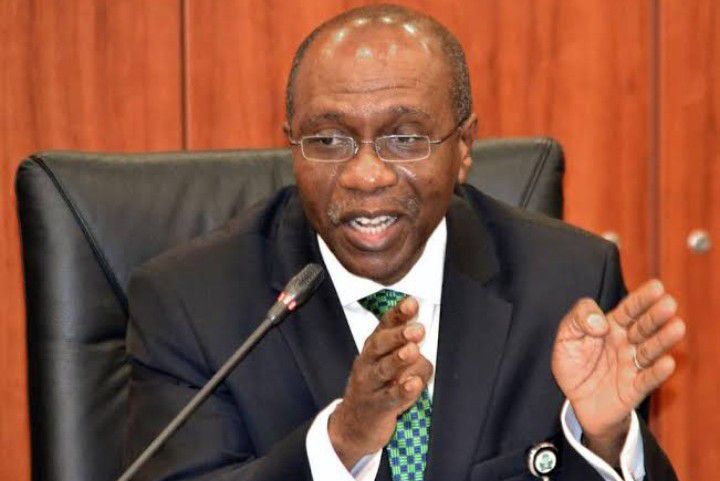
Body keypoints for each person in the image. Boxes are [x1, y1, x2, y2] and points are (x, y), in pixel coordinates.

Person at [125, 5, 685, 481]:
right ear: (292, 145)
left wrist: (604, 438)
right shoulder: (191, 305)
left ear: (464, 146)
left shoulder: (568, 284)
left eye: (405, 138)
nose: (366, 175)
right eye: (328, 140)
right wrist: (341, 442)